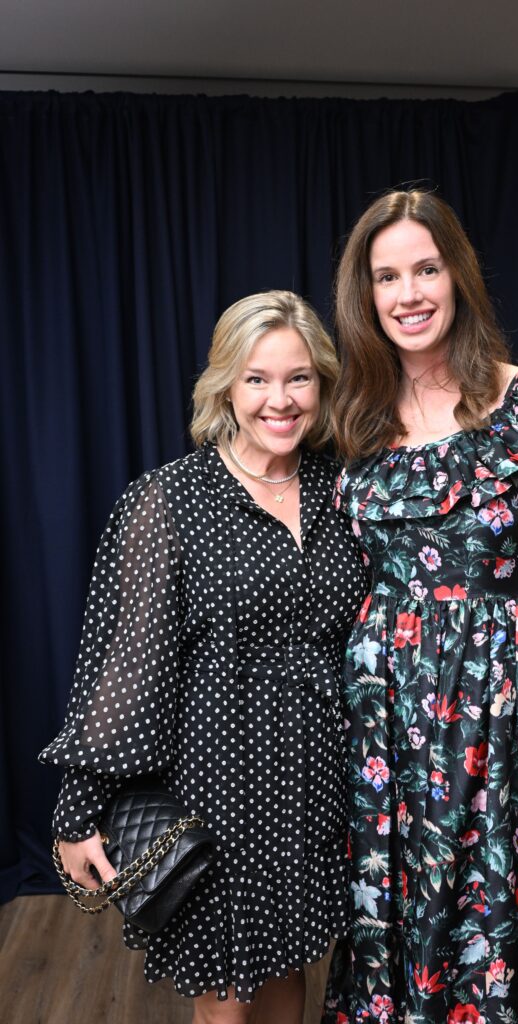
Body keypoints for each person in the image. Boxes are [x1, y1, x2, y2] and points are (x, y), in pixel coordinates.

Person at [323, 191, 518, 1024]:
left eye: (425, 268)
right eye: (386, 276)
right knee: (407, 950)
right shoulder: (349, 420)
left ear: (457, 275)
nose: (408, 293)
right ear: (365, 297)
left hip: (514, 737)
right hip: (389, 744)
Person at [39, 290, 369, 1024]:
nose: (278, 400)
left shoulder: (343, 488)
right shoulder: (168, 500)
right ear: (223, 384)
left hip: (317, 781)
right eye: (256, 378)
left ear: (322, 382)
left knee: (289, 964)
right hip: (219, 784)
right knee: (225, 998)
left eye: (298, 378)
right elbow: (123, 665)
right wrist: (76, 811)